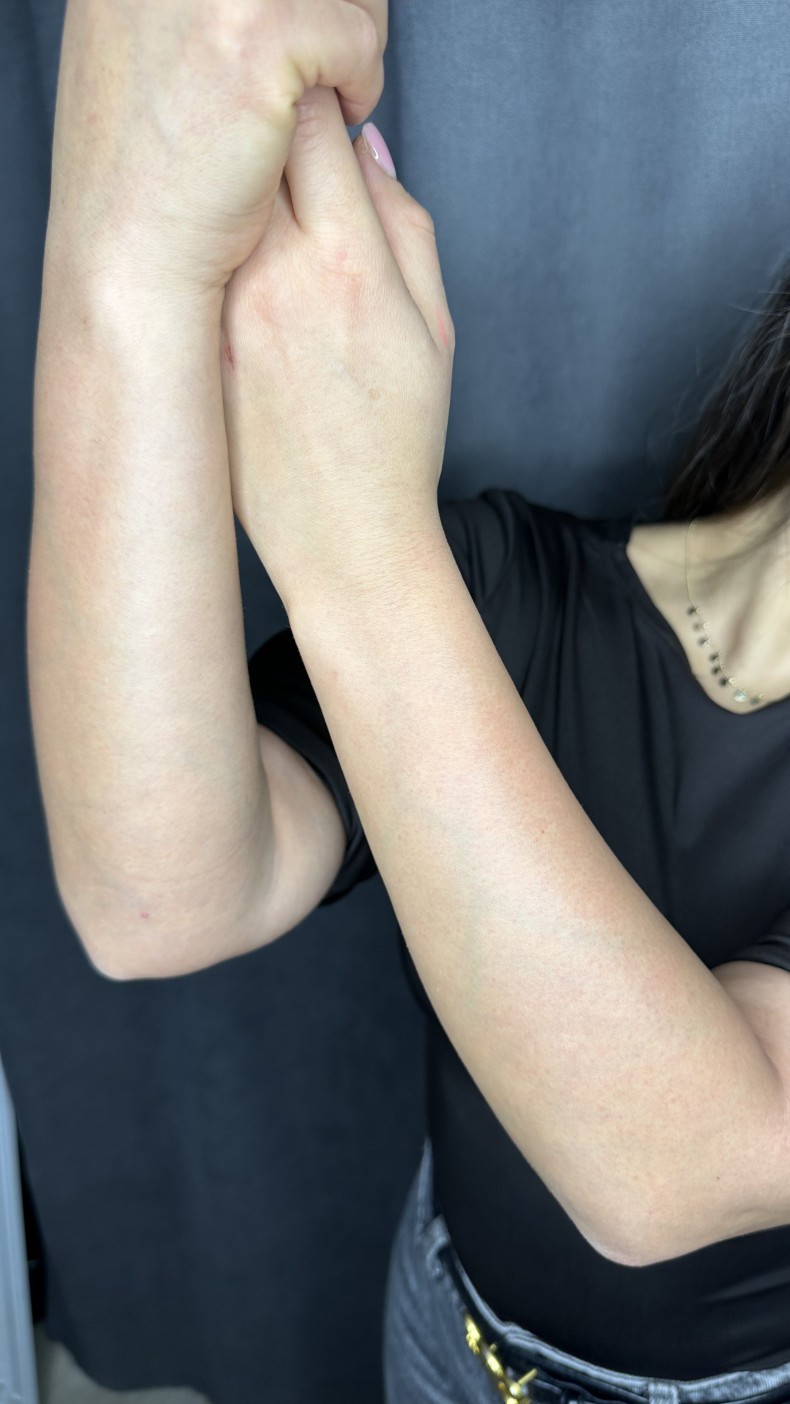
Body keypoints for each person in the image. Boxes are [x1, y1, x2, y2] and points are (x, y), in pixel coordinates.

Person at [27, 3, 790, 1402]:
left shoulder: (434, 585)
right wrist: (132, 242)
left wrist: (356, 534)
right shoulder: (521, 589)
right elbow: (156, 899)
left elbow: (682, 1167)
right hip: (448, 1326)